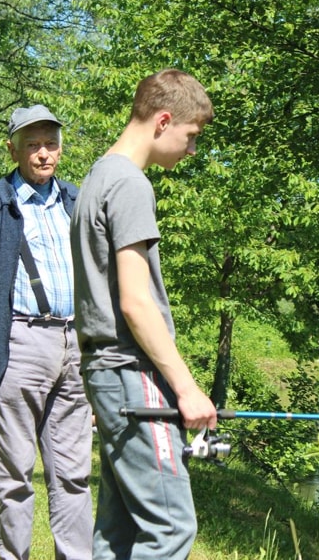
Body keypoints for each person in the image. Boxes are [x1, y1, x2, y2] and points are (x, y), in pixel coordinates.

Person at [70, 69, 218, 560]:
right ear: (164, 120)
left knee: (119, 531)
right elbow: (135, 302)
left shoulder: (96, 176)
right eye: (191, 136)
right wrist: (187, 388)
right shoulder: (130, 185)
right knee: (170, 528)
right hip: (134, 375)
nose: (191, 150)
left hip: (107, 374)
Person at [0, 105, 92, 560]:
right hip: (21, 345)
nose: (43, 154)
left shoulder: (76, 200)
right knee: (14, 473)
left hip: (75, 345)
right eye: (32, 145)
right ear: (13, 149)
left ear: (61, 148)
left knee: (73, 474)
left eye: (50, 143)